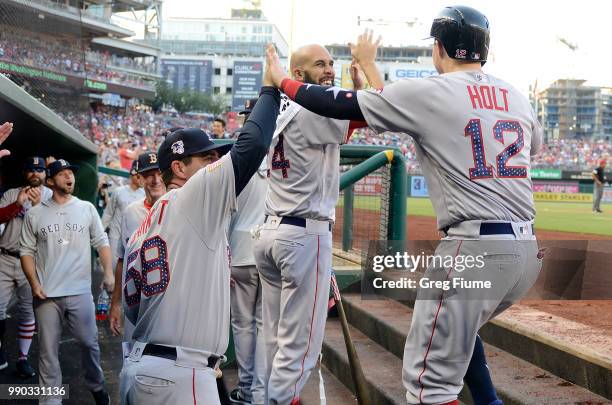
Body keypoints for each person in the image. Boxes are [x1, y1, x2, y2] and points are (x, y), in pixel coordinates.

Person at [264, 5, 544, 405]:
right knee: (458, 333)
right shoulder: (514, 94)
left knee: (429, 386)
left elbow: (341, 105)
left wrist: (281, 80)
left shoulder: (433, 91)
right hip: (526, 256)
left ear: (439, 46)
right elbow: (532, 147)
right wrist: (368, 68)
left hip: (473, 248)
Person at [118, 83, 279, 405]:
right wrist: (272, 89)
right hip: (177, 375)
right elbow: (254, 143)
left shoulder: (148, 223)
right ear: (178, 168)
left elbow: (134, 310)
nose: (215, 163)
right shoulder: (191, 199)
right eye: (207, 158)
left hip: (142, 367)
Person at [253, 43, 376, 405]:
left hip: (272, 232)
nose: (328, 68)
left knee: (275, 340)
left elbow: (345, 127)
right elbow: (367, 114)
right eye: (318, 64)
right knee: (300, 347)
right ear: (298, 73)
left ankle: (269, 398)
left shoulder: (281, 106)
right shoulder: (313, 104)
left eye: (330, 63)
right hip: (304, 234)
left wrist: (356, 89)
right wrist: (362, 85)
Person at [20, 159, 115, 405]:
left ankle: (96, 385)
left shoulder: (86, 208)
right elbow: (26, 252)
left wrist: (108, 273)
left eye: (70, 172)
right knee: (47, 352)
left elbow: (101, 243)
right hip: (46, 294)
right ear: (51, 181)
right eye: (62, 174)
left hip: (80, 291)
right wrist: (33, 283)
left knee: (89, 343)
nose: (69, 177)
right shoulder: (35, 213)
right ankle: (50, 400)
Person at [228, 98, 267, 405]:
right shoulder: (284, 152)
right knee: (264, 324)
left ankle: (247, 388)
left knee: (242, 324)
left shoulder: (234, 157)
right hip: (272, 248)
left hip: (239, 250)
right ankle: (262, 391)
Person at [0, 157, 52, 377]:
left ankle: (22, 358)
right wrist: (18, 204)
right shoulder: (12, 193)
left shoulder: (51, 197)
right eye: (31, 169)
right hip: (4, 257)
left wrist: (38, 207)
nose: (35, 173)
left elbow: (52, 231)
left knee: (26, 312)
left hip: (31, 262)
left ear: (45, 174)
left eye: (39, 169)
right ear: (25, 173)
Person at [108, 152, 166, 343]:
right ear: (139, 177)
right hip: (137, 300)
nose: (156, 180)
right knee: (134, 360)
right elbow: (122, 260)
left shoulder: (178, 205)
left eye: (159, 173)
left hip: (168, 302)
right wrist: (115, 303)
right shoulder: (131, 211)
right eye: (149, 174)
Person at [101, 163, 144, 268]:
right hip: (116, 234)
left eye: (141, 176)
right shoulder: (119, 191)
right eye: (138, 176)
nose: (140, 179)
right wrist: (100, 231)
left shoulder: (144, 194)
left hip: (134, 237)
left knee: (132, 267)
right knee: (113, 265)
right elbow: (108, 213)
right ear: (132, 176)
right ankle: (108, 283)